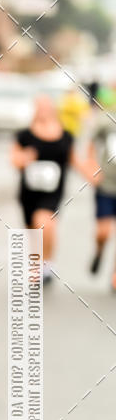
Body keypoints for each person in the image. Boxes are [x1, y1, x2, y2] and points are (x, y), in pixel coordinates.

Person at [11, 95, 84, 284]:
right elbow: (15, 160)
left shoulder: (65, 136)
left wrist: (93, 175)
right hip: (29, 192)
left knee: (44, 222)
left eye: (46, 106)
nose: (43, 110)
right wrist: (26, 157)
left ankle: (47, 262)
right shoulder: (25, 135)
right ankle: (38, 264)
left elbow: (75, 160)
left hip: (53, 191)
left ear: (53, 108)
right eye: (39, 106)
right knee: (34, 229)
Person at [85, 106, 116, 289]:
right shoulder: (108, 121)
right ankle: (99, 252)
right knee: (103, 232)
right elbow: (91, 142)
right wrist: (91, 168)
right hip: (106, 185)